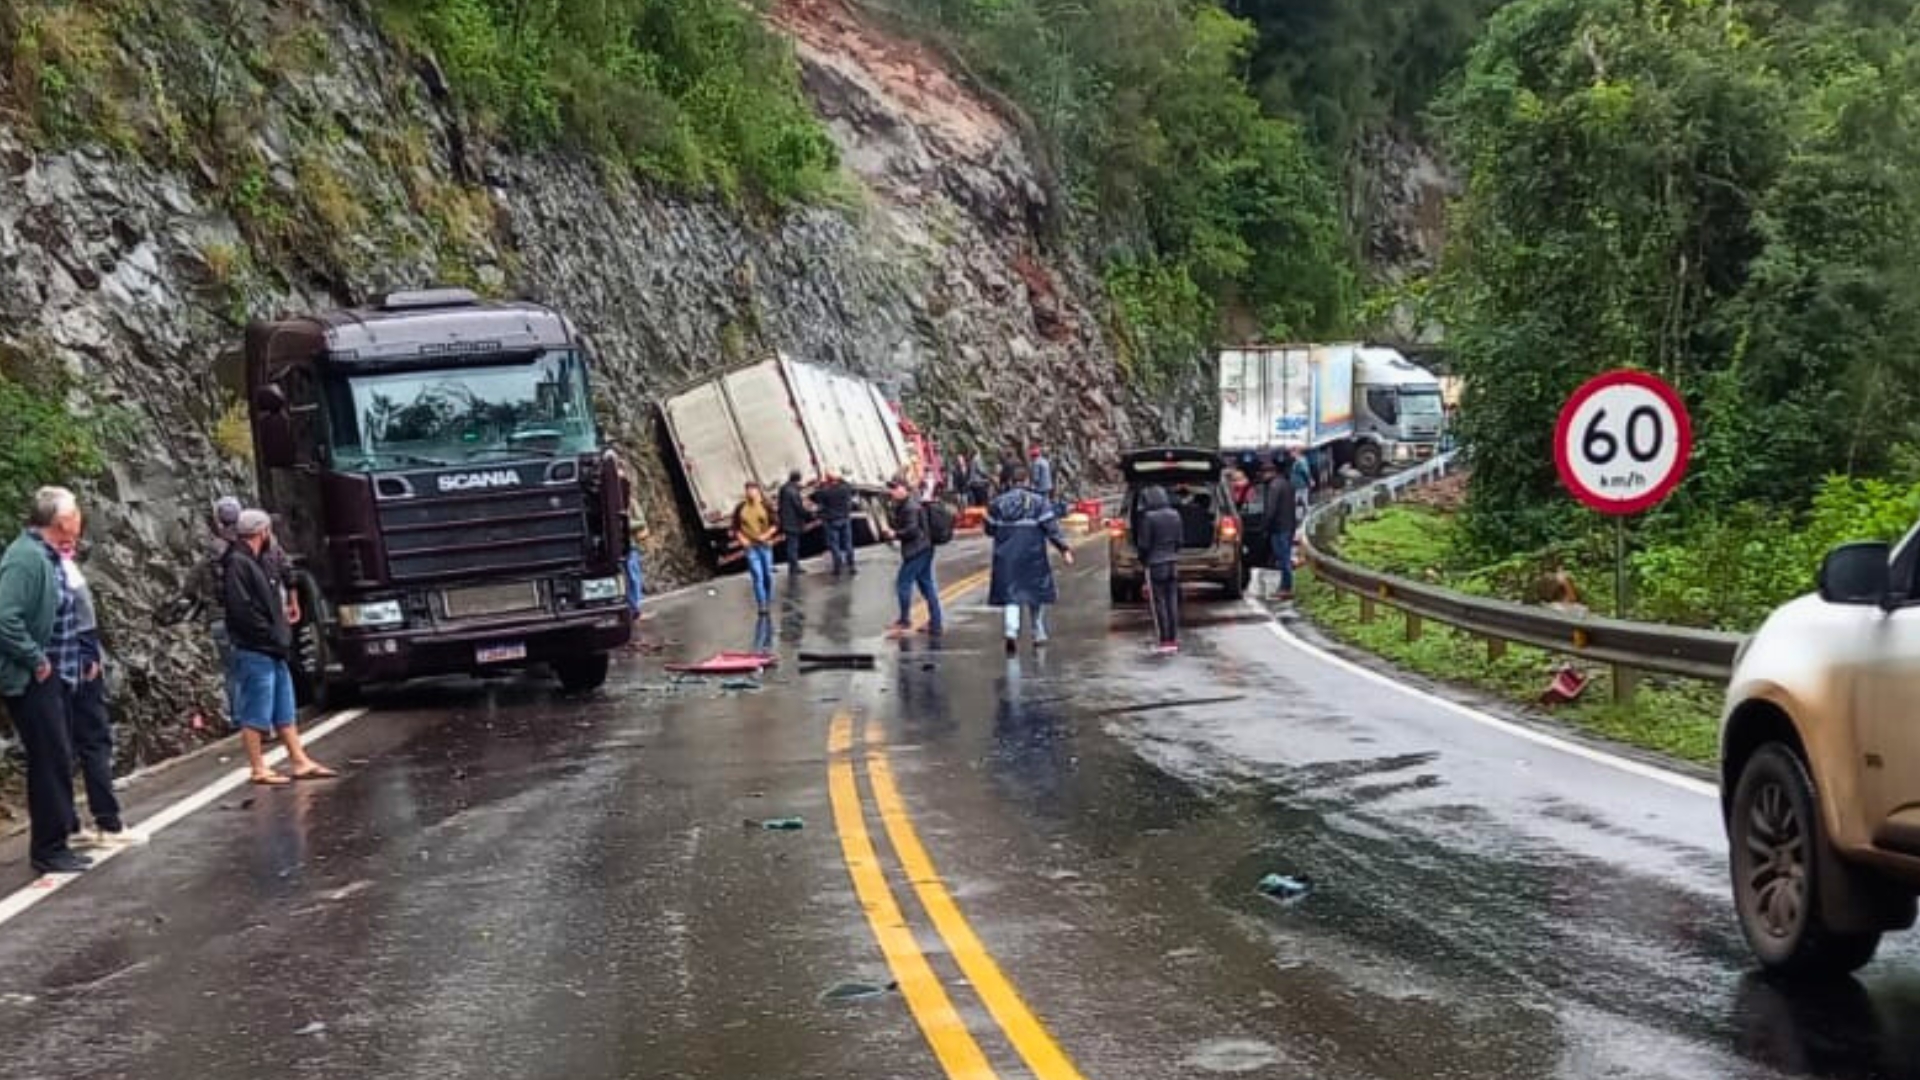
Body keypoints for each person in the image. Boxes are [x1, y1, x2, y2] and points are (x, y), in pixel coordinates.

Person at [0, 487, 91, 874]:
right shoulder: (25, 558)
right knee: (48, 758)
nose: (80, 519)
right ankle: (49, 849)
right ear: (60, 521)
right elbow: (5, 615)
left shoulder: (49, 554)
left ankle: (61, 833)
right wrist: (35, 658)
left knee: (58, 754)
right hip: (34, 677)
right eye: (75, 514)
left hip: (58, 674)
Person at [222, 510, 335, 786]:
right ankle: (258, 767)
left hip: (274, 646)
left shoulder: (264, 558)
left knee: (284, 708)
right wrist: (269, 635)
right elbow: (241, 610)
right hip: (255, 647)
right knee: (256, 711)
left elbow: (287, 575)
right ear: (262, 531)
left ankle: (299, 759)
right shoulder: (237, 562)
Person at [58, 535, 138, 849]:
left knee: (60, 748)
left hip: (55, 669)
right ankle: (108, 821)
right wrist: (89, 653)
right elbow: (84, 618)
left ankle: (69, 825)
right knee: (94, 741)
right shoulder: (66, 570)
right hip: (78, 667)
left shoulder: (35, 569)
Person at [986, 466, 1074, 654]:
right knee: (1035, 593)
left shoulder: (997, 503)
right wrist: (1064, 549)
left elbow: (989, 529)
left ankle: (1011, 631)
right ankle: (1038, 632)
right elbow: (1051, 527)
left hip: (1006, 556)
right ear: (1027, 481)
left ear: (1010, 482)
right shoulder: (1039, 502)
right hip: (1032, 553)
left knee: (1011, 595)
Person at [883, 478, 942, 637]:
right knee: (926, 585)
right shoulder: (910, 503)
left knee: (903, 583)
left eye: (895, 488)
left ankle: (904, 620)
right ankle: (936, 623)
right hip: (924, 547)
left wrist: (895, 534)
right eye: (891, 489)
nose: (892, 492)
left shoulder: (910, 507)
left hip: (917, 550)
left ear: (904, 489)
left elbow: (912, 530)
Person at [1135, 485, 1184, 653]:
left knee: (1159, 603)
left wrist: (1143, 560)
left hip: (1156, 564)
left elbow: (1144, 545)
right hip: (1172, 563)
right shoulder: (1175, 515)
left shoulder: (1149, 518)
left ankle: (1164, 639)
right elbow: (1179, 541)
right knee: (1172, 602)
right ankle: (1173, 637)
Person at [733, 482, 777, 614]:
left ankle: (768, 599)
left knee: (767, 575)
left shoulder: (765, 505)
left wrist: (766, 535)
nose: (750, 492)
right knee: (757, 576)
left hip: (765, 546)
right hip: (751, 548)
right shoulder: (740, 508)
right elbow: (735, 528)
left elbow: (775, 524)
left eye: (753, 490)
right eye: (748, 490)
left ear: (758, 491)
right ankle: (762, 605)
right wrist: (742, 540)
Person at [618, 459, 651, 628]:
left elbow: (641, 521)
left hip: (629, 545)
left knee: (633, 576)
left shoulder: (631, 502)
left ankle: (635, 608)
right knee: (623, 577)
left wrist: (624, 523)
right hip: (615, 547)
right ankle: (629, 608)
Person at [1261, 462, 1299, 600]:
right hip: (1288, 525)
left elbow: (1271, 509)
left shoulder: (1274, 487)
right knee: (1285, 557)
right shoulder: (1286, 484)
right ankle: (1285, 586)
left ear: (1269, 472)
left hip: (1278, 527)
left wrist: (1264, 526)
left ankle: (1286, 588)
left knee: (1283, 558)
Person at [813, 468, 857, 577]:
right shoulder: (845, 488)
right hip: (844, 518)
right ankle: (851, 566)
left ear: (828, 480)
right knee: (848, 543)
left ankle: (837, 567)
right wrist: (838, 477)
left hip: (831, 520)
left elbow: (817, 497)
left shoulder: (825, 491)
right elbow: (849, 486)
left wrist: (821, 484)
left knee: (835, 545)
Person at [777, 470, 813, 574]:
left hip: (786, 521)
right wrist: (809, 514)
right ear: (798, 480)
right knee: (793, 546)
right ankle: (794, 567)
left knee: (791, 545)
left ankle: (793, 566)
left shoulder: (783, 489)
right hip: (793, 523)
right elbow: (798, 507)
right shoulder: (792, 491)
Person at [1289, 446, 1313, 524]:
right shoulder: (1297, 461)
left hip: (1301, 485)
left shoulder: (1301, 461)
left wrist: (1310, 480)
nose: (1290, 454)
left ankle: (1305, 519)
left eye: (1291, 452)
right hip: (1298, 485)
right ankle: (1301, 518)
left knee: (1302, 502)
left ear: (1296, 452)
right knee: (1299, 502)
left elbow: (1306, 472)